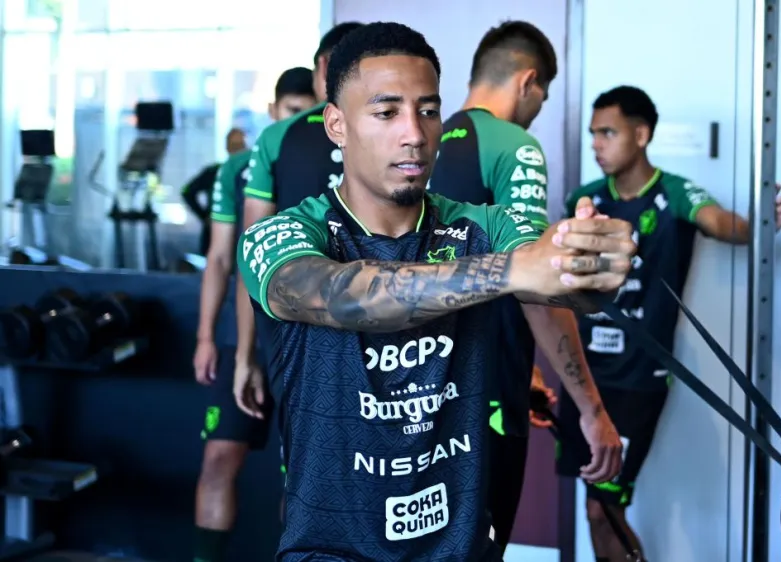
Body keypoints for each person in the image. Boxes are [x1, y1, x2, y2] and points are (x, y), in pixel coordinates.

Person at [236, 22, 633, 562]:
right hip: (330, 549)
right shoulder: (282, 235)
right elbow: (345, 297)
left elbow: (560, 285)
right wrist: (512, 272)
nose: (415, 134)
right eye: (386, 112)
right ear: (337, 124)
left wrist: (590, 262)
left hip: (460, 547)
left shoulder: (482, 226)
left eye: (427, 110)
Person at [555, 85, 781, 562]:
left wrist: (758, 223)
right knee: (594, 507)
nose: (597, 144)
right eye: (593, 134)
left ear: (640, 134)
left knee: (606, 511)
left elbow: (725, 224)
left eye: (608, 132)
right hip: (583, 376)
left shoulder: (675, 192)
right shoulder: (584, 198)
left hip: (638, 379)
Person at [428, 20, 620, 551]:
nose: (539, 107)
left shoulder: (422, 140)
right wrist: (592, 411)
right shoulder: (515, 146)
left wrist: (530, 367)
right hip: (485, 395)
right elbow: (537, 285)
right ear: (527, 81)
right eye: (544, 95)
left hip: (416, 394)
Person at [191, 66, 317, 562]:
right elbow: (223, 258)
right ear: (273, 110)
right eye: (291, 111)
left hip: (296, 336)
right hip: (236, 334)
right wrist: (206, 336)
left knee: (305, 476)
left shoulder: (326, 159)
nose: (301, 120)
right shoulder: (238, 168)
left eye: (310, 109)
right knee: (219, 456)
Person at [234, 21, 364, 421]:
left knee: (304, 463)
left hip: (298, 327)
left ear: (322, 67)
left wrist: (246, 353)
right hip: (377, 317)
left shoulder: (278, 136)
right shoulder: (389, 130)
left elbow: (252, 251)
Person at [181, 128, 247, 255]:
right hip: (216, 231)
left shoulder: (253, 171)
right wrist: (204, 216)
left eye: (240, 144)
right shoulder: (214, 171)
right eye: (235, 145)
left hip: (240, 232)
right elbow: (187, 192)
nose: (238, 149)